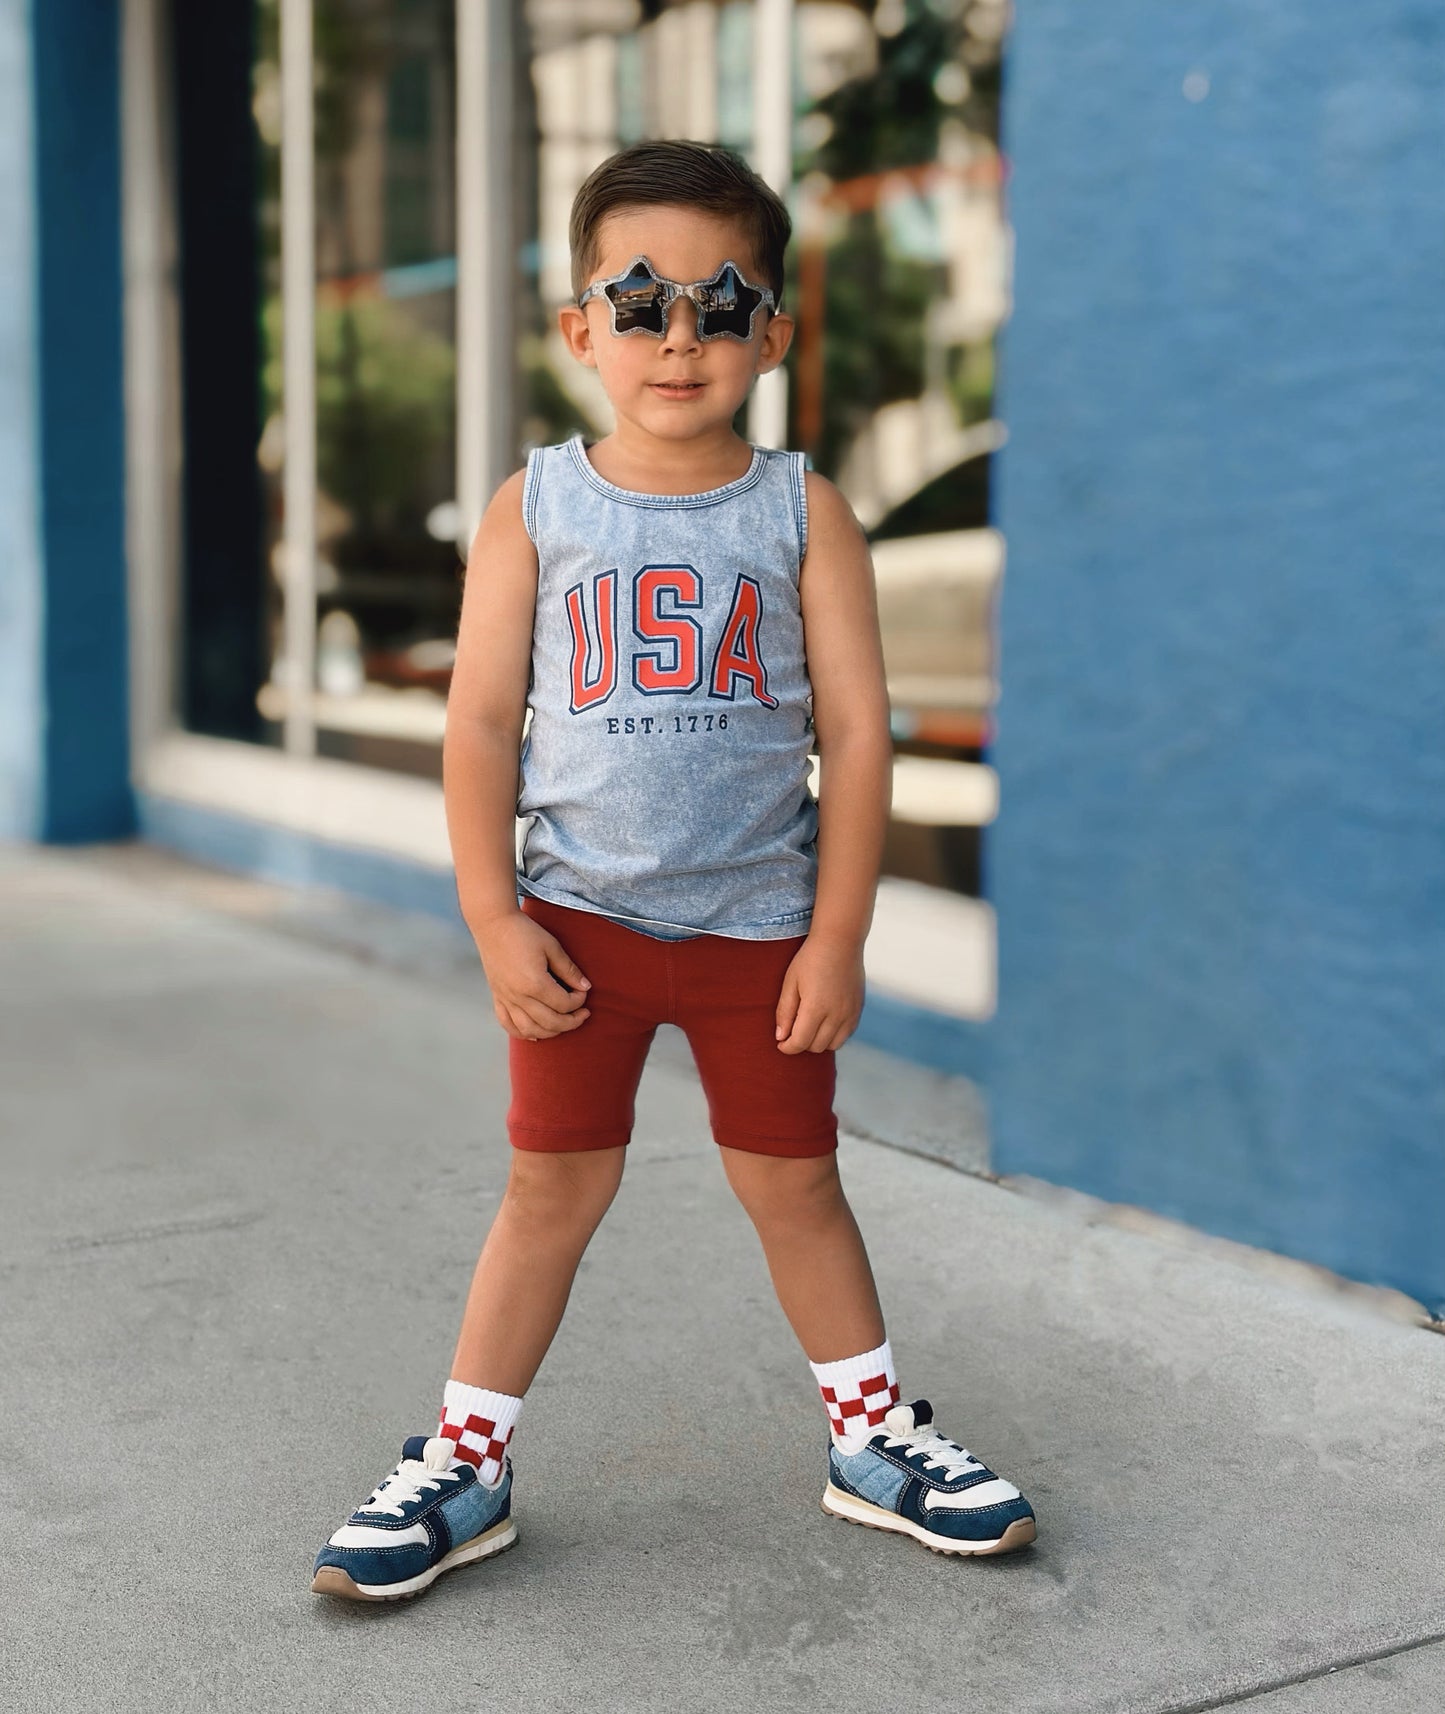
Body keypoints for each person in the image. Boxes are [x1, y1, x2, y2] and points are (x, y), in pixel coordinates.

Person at [311, 139, 1036, 1604]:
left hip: (757, 931)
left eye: (721, 305)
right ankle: (469, 1453)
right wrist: (490, 914)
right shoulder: (536, 509)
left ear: (775, 331)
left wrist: (835, 936)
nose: (680, 339)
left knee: (797, 1188)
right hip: (577, 926)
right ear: (578, 327)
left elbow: (853, 734)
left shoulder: (801, 512)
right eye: (639, 305)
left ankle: (869, 1436)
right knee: (546, 1191)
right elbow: (474, 722)